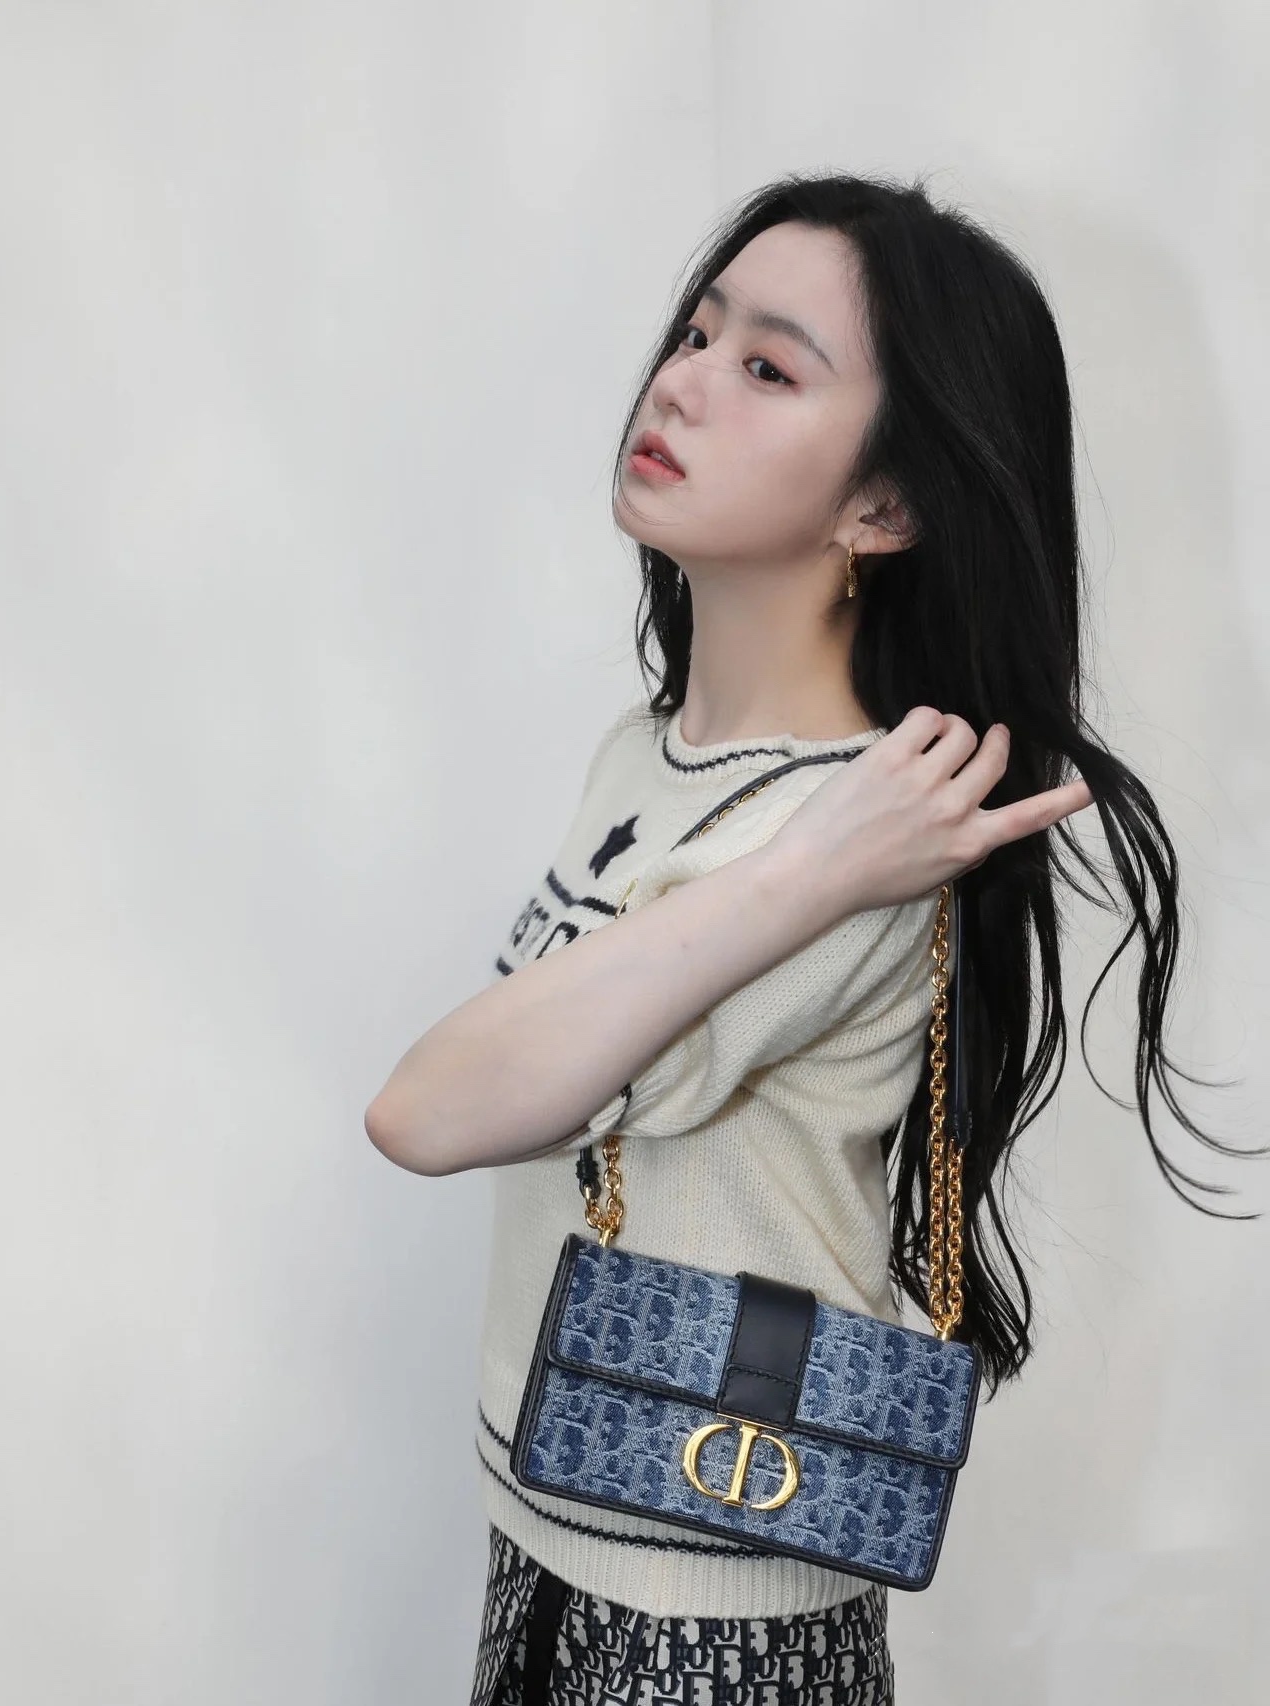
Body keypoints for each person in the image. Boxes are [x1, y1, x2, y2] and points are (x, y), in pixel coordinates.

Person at [364, 170, 1258, 1706]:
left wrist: (810, 874)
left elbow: (425, 1113)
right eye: (698, 331)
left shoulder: (866, 838)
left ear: (883, 507)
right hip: (556, 1525)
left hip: (705, 1610)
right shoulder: (652, 756)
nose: (683, 380)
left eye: (770, 367)